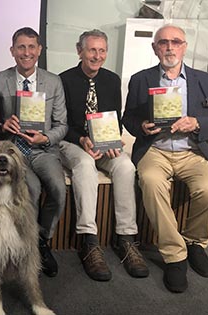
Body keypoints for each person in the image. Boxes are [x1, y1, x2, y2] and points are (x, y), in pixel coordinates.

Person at [122, 24, 208, 293]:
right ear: (154, 48)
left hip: (192, 152)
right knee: (150, 181)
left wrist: (196, 123)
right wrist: (142, 126)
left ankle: (195, 243)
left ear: (184, 46)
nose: (169, 47)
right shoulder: (140, 79)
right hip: (155, 151)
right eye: (163, 42)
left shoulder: (207, 81)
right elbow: (129, 118)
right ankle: (175, 255)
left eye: (175, 42)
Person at [59, 30, 149, 281]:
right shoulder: (63, 80)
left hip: (102, 142)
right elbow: (60, 123)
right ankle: (89, 241)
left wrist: (113, 139)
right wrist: (82, 139)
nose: (97, 56)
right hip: (73, 141)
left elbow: (114, 117)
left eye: (102, 51)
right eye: (91, 50)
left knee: (126, 166)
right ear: (80, 51)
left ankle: (126, 238)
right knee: (86, 165)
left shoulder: (112, 79)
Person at [0, 27, 68, 277]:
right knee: (31, 190)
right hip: (14, 153)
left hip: (43, 151)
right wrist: (1, 126)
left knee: (58, 188)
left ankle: (42, 239)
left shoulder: (54, 81)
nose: (26, 52)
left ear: (39, 50)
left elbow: (63, 125)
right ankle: (27, 246)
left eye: (31, 47)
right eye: (21, 47)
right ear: (12, 51)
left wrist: (46, 137)